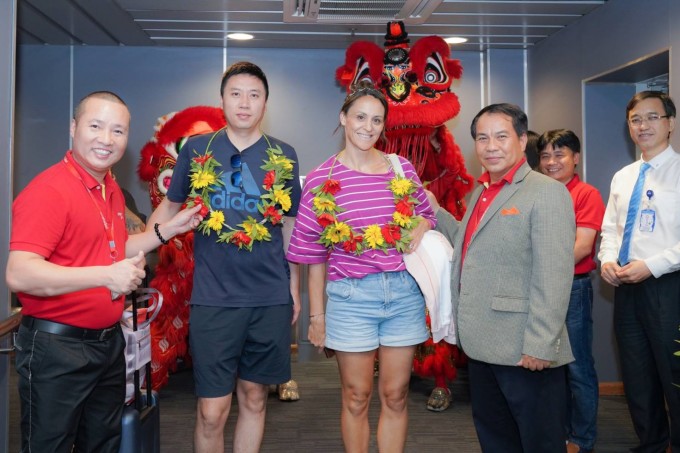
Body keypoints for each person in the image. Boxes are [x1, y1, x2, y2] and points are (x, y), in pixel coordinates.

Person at [5, 91, 203, 453]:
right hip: (57, 348)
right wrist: (105, 276)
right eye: (96, 126)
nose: (106, 139)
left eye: (118, 131)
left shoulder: (108, 186)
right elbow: (20, 274)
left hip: (107, 344)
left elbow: (114, 249)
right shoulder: (49, 191)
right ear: (73, 127)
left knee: (104, 444)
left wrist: (167, 231)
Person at [148, 61, 302, 453]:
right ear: (222, 100)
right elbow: (170, 206)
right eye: (236, 94)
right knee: (211, 410)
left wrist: (294, 290)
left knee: (254, 398)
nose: (245, 103)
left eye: (254, 95)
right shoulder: (199, 150)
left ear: (265, 102)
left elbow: (289, 229)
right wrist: (138, 250)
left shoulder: (283, 155)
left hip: (268, 297)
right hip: (214, 299)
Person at [286, 81, 435, 452]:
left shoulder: (400, 169)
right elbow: (312, 253)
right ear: (343, 118)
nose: (368, 127)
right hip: (350, 297)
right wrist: (317, 318)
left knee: (396, 394)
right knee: (356, 395)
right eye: (360, 117)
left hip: (402, 292)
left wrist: (420, 223)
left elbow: (426, 213)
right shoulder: (322, 179)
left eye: (377, 120)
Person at [434, 103, 575, 452]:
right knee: (496, 439)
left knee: (539, 441)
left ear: (522, 139)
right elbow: (468, 247)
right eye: (482, 138)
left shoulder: (546, 191)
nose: (490, 146)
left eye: (501, 136)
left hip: (525, 350)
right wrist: (433, 211)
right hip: (483, 344)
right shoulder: (481, 192)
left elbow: (554, 273)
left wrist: (541, 343)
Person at [599, 90, 680, 453]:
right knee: (637, 373)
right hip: (627, 286)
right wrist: (607, 261)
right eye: (635, 119)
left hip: (669, 285)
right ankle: (651, 443)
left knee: (673, 374)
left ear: (670, 124)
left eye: (652, 117)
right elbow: (611, 229)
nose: (643, 125)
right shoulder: (624, 176)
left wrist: (652, 265)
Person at [538, 129, 605, 453]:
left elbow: (582, 247)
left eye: (559, 154)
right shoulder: (536, 193)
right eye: (546, 156)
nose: (552, 162)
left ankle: (582, 439)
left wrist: (540, 269)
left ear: (575, 158)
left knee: (577, 367)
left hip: (572, 288)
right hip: (540, 290)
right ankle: (558, 434)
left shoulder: (585, 194)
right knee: (549, 367)